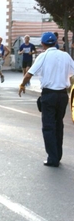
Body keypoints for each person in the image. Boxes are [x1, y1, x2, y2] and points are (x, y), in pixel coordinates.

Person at [19, 32, 74, 167]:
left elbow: (29, 74)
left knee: (48, 126)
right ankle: (58, 155)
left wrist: (22, 85)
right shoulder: (66, 56)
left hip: (49, 95)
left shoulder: (43, 56)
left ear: (43, 44)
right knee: (58, 124)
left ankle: (52, 158)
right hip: (62, 95)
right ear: (56, 42)